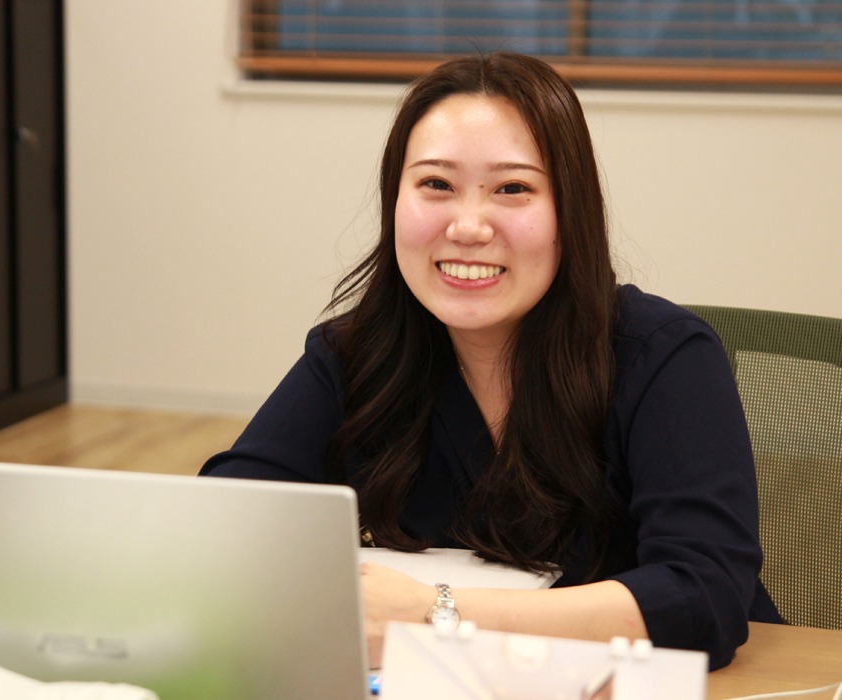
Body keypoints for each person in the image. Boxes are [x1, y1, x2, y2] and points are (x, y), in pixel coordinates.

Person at [200, 51, 779, 670]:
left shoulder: (663, 356)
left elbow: (703, 599)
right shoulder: (355, 354)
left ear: (570, 211)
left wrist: (435, 615)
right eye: (436, 185)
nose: (469, 226)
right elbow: (219, 530)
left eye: (513, 189)